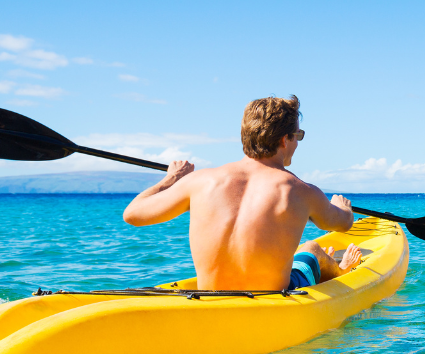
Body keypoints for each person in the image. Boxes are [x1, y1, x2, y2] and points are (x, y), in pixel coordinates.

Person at [122, 95, 363, 291]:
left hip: (211, 297)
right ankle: (340, 269)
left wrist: (171, 179)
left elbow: (132, 214)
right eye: (297, 136)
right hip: (274, 298)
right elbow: (343, 224)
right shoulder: (301, 191)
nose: (297, 143)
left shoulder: (200, 181)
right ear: (283, 140)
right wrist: (342, 206)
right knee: (311, 249)